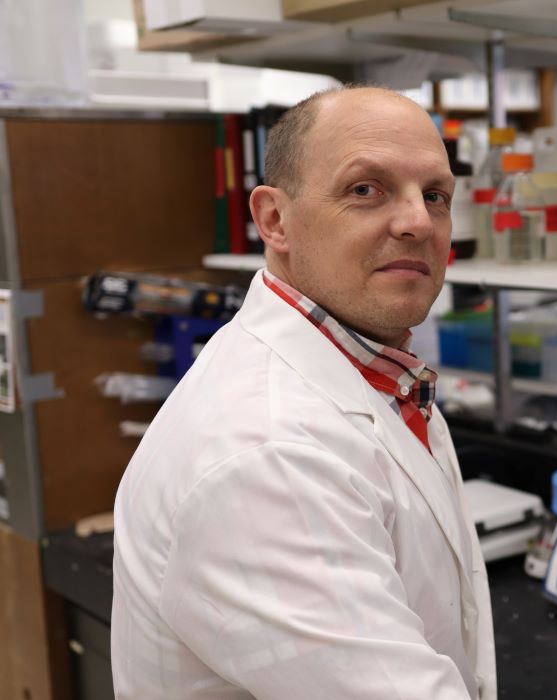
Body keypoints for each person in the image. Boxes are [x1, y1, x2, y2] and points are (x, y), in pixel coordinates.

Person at [111, 86, 496, 699]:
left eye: (434, 195)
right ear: (275, 220)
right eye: (365, 189)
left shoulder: (372, 368)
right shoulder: (269, 452)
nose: (417, 222)